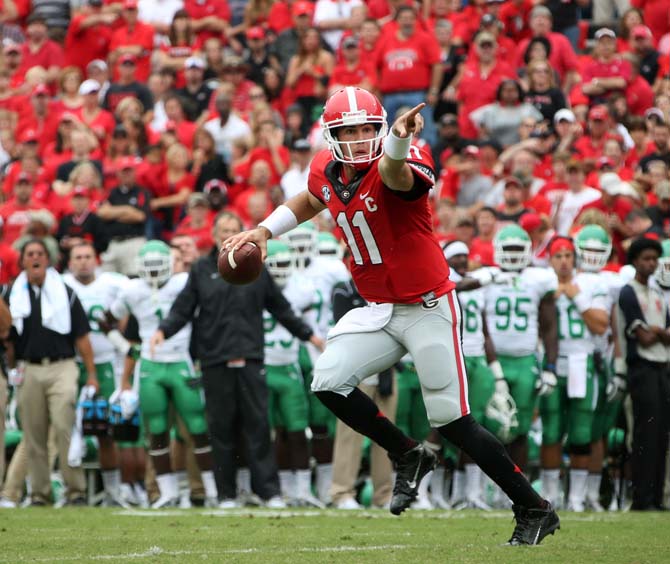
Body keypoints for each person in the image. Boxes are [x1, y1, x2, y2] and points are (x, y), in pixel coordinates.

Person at [224, 86, 560, 545]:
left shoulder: (402, 158)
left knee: (452, 420)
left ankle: (534, 507)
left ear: (382, 129)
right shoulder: (325, 166)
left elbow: (394, 175)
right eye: (350, 130)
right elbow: (312, 196)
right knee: (327, 382)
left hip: (427, 306)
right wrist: (264, 230)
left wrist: (399, 140)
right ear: (331, 135)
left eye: (368, 129)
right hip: (380, 309)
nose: (361, 139)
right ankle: (407, 454)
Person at [151, 212, 322, 507]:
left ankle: (268, 491)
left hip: (251, 357)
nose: (228, 234)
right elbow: (184, 307)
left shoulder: (254, 265)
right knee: (221, 428)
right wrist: (163, 331)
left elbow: (280, 308)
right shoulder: (203, 269)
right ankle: (226, 493)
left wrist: (309, 335)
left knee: (258, 426)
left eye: (233, 229)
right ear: (215, 235)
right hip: (215, 358)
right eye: (223, 230)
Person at [109, 240, 218, 508]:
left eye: (160, 266)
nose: (156, 273)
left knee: (197, 427)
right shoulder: (131, 290)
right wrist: (126, 348)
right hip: (150, 365)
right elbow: (107, 320)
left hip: (181, 360)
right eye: (150, 267)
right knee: (156, 429)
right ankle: (167, 492)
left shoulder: (183, 283)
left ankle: (213, 491)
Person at [7, 239, 96, 506]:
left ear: (48, 259)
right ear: (23, 261)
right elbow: (8, 338)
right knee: (33, 434)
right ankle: (39, 493)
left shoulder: (65, 291)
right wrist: (11, 368)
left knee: (63, 426)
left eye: (40, 254)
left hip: (62, 365)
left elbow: (82, 335)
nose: (35, 258)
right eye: (30, 254)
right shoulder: (12, 294)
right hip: (29, 367)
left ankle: (76, 491)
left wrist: (90, 373)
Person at [542, 233, 610, 512]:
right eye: (558, 256)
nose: (564, 261)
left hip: (582, 362)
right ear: (550, 259)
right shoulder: (542, 284)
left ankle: (577, 498)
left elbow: (600, 325)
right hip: (552, 364)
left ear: (576, 257)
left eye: (568, 255)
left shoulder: (592, 283)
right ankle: (549, 496)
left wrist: (578, 298)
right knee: (551, 432)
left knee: (582, 433)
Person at [62, 242, 132, 507]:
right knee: (66, 429)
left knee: (105, 430)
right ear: (69, 262)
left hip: (104, 363)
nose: (83, 262)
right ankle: (71, 490)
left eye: (87, 256)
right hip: (70, 362)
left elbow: (127, 310)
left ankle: (113, 491)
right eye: (77, 257)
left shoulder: (114, 283)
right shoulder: (61, 283)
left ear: (97, 260)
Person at [617, 236, 670, 510]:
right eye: (646, 259)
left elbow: (660, 334)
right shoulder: (628, 292)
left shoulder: (659, 293)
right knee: (645, 433)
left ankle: (658, 497)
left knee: (662, 434)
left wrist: (658, 332)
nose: (651, 264)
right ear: (635, 261)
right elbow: (644, 337)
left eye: (654, 259)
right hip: (642, 367)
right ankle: (641, 497)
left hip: (662, 368)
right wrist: (659, 333)